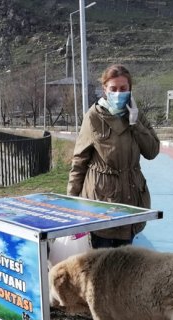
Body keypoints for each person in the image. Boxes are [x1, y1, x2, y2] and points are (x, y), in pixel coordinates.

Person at [67, 64, 160, 248]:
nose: (118, 93)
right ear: (105, 90)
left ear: (130, 90)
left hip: (131, 201)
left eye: (123, 89)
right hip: (100, 203)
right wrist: (70, 202)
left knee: (124, 266)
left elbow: (152, 151)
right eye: (113, 89)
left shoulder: (136, 115)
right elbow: (79, 161)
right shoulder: (93, 116)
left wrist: (135, 124)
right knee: (101, 267)